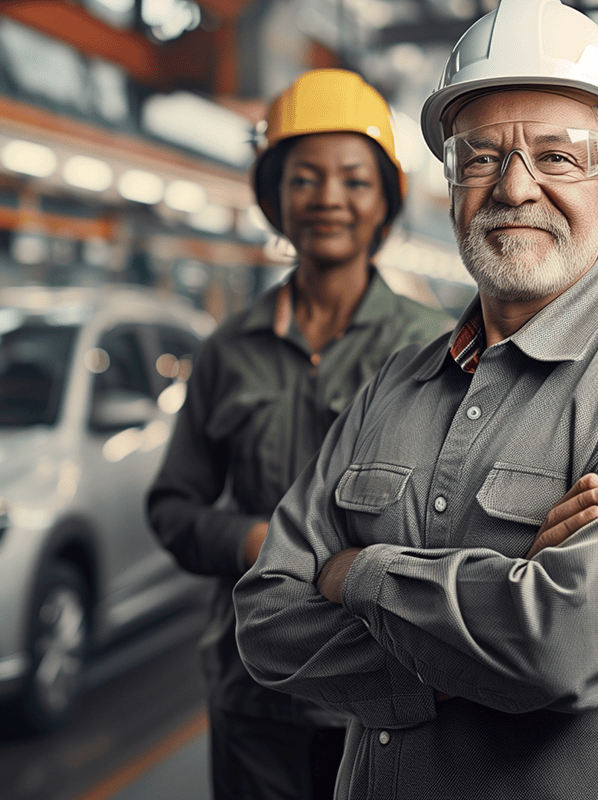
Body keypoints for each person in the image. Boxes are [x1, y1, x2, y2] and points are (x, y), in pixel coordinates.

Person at [231, 1, 598, 798]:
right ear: (451, 187)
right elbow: (267, 619)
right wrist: (493, 610)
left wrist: (359, 572)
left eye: (558, 157)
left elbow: (560, 645)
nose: (516, 187)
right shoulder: (395, 384)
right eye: (482, 157)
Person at [145, 69, 455, 800]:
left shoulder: (432, 349)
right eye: (305, 179)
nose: (329, 200)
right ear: (274, 198)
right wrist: (253, 543)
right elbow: (172, 506)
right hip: (256, 694)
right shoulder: (228, 351)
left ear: (384, 199)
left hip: (388, 692)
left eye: (353, 180)